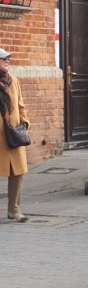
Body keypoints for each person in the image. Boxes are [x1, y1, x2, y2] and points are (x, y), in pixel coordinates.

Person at [0, 49, 31, 222]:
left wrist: (24, 123)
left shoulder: (13, 81)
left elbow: (21, 105)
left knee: (18, 172)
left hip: (13, 134)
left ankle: (14, 210)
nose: (7, 61)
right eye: (3, 59)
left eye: (8, 59)